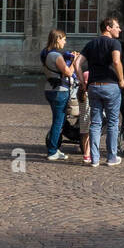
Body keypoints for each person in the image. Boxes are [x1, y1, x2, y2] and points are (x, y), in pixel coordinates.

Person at [80, 15, 124, 168]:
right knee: (113, 122)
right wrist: (121, 79)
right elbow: (116, 61)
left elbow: (76, 63)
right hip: (110, 85)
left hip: (93, 86)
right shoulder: (114, 43)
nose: (119, 29)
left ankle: (94, 159)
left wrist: (83, 83)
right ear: (108, 27)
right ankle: (111, 157)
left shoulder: (91, 44)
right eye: (117, 26)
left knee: (95, 123)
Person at [42, 28, 74, 162]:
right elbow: (68, 72)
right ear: (58, 39)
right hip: (59, 91)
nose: (65, 42)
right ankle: (52, 151)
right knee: (58, 122)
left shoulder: (45, 53)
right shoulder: (56, 56)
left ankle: (54, 147)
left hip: (50, 88)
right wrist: (74, 60)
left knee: (58, 121)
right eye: (64, 39)